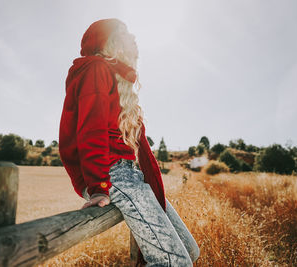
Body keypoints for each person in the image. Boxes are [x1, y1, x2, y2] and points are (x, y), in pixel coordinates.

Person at [59, 18, 200, 267]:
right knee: (175, 263)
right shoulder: (96, 70)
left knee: (189, 250)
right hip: (112, 174)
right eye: (124, 33)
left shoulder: (119, 79)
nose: (133, 37)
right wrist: (99, 187)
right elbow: (92, 130)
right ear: (109, 41)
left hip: (133, 176)